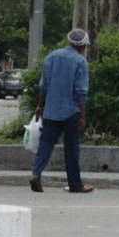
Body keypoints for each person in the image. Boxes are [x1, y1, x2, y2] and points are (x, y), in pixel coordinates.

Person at [31, 29, 94, 194]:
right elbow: (81, 91)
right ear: (83, 46)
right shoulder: (80, 61)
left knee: (45, 145)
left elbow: (43, 86)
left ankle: (36, 173)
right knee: (71, 149)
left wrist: (40, 106)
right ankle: (75, 184)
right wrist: (83, 115)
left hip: (51, 110)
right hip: (71, 112)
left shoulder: (52, 57)